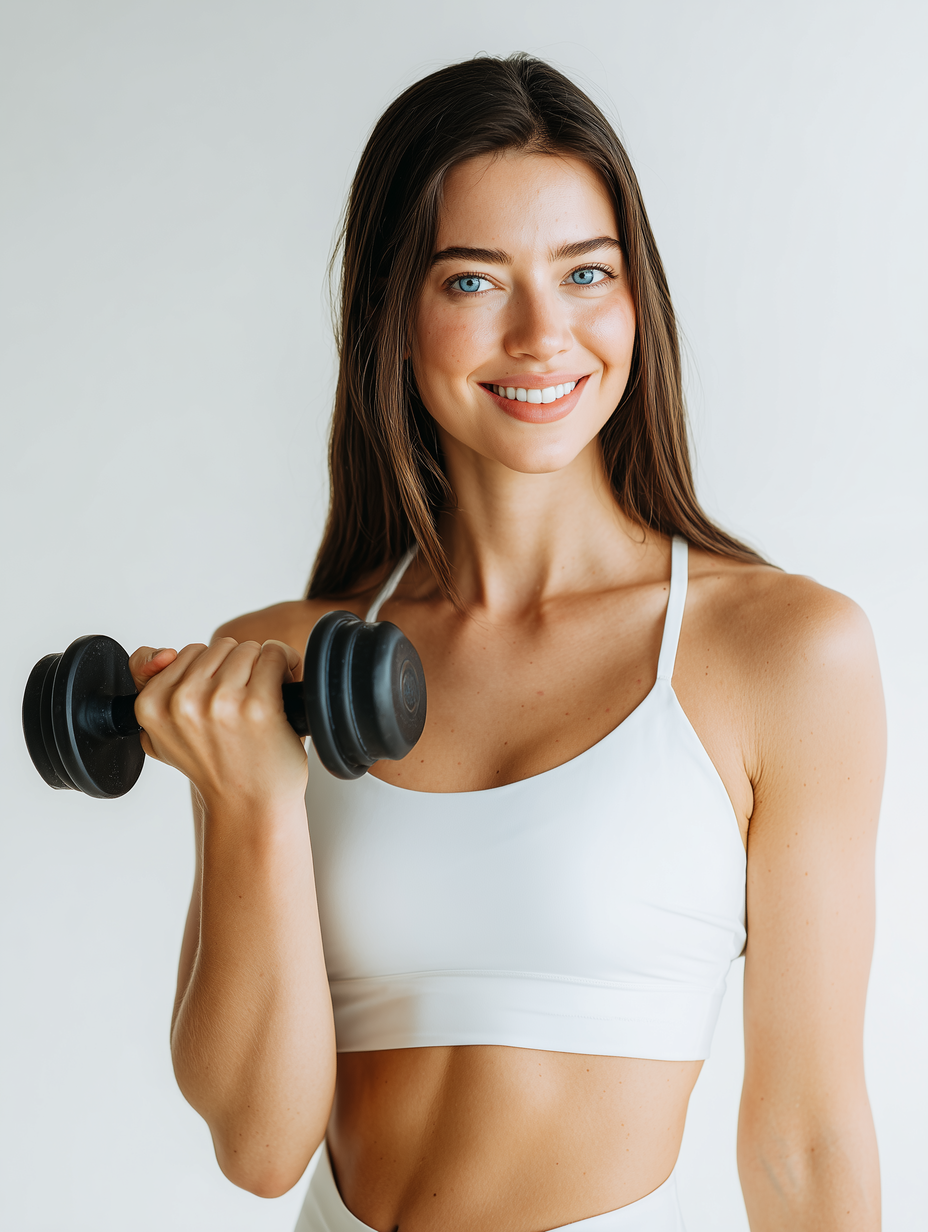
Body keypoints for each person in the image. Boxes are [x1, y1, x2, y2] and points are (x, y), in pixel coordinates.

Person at [127, 55, 884, 1232]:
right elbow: (260, 1145)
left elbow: (804, 1133)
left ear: (638, 302)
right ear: (396, 309)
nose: (544, 334)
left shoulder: (782, 650)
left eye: (587, 272)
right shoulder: (279, 669)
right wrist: (254, 799)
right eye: (474, 279)